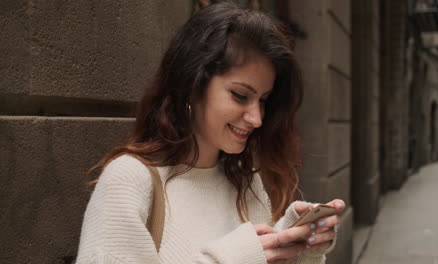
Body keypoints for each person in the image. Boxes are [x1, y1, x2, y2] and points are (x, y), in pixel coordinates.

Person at [76, 3, 345, 264]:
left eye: (263, 100)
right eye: (240, 96)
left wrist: (297, 248)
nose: (257, 118)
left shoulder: (245, 179)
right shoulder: (128, 180)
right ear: (193, 84)